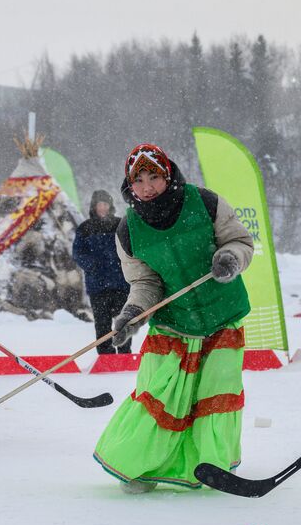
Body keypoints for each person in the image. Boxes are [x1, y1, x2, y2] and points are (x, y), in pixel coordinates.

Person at [92, 143, 254, 492]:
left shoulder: (205, 202)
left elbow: (240, 242)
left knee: (215, 394)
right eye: (139, 181)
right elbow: (145, 282)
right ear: (129, 185)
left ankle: (213, 465)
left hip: (221, 314)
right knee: (161, 395)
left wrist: (229, 259)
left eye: (155, 177)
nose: (147, 187)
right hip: (173, 322)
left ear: (168, 176)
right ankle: (142, 467)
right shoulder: (127, 231)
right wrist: (131, 315)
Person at [72, 190, 132, 354]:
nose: (103, 208)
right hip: (98, 285)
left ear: (110, 206)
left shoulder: (121, 224)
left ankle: (125, 353)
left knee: (124, 322)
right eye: (100, 204)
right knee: (102, 323)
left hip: (122, 283)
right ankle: (105, 356)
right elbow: (78, 253)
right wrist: (92, 265)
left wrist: (125, 263)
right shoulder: (85, 228)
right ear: (94, 207)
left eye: (105, 204)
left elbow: (131, 247)